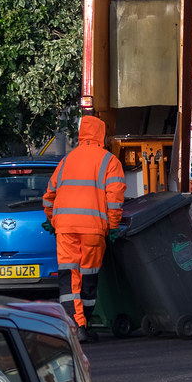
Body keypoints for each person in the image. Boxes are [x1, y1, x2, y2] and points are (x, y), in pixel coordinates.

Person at [43, 115, 126, 343]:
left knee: (69, 275)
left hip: (66, 228)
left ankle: (75, 325)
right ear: (101, 135)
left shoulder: (66, 160)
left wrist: (53, 220)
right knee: (89, 275)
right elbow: (115, 198)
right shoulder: (109, 161)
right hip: (93, 228)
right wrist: (113, 225)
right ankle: (82, 324)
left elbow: (49, 196)